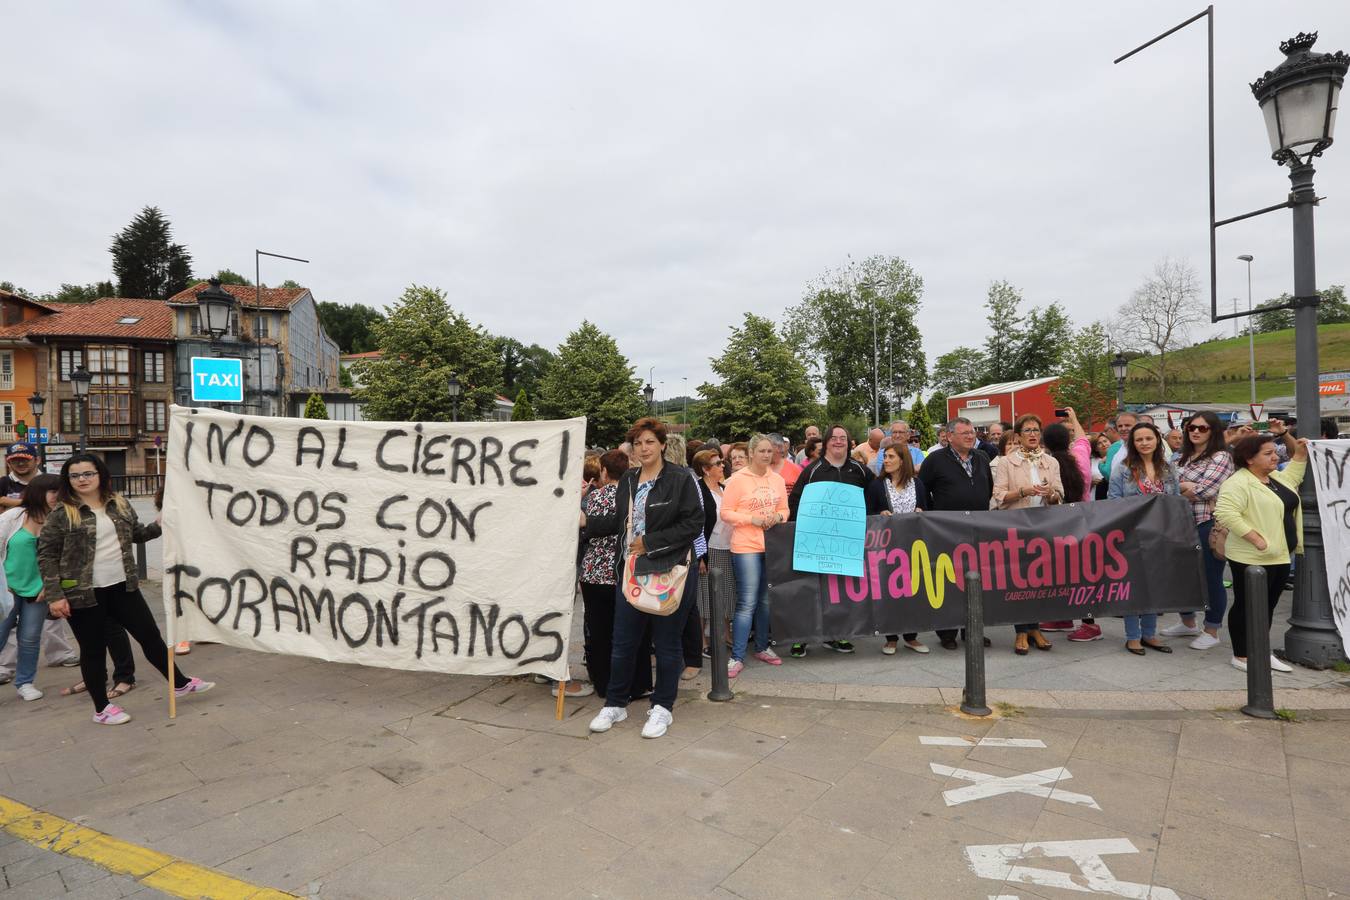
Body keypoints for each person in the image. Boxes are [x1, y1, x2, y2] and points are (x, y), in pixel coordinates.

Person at [37, 453, 214, 725]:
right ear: (68, 480)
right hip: (84, 593)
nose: (82, 479)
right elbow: (46, 555)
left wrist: (159, 523)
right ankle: (101, 708)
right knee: (93, 650)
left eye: (88, 473)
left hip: (123, 586)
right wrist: (55, 595)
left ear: (100, 475)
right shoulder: (63, 513)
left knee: (151, 636)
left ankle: (180, 683)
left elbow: (137, 535)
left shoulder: (119, 504)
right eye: (75, 475)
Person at [588, 419, 703, 739]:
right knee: (623, 643)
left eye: (650, 442)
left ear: (663, 444)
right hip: (631, 571)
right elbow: (618, 521)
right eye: (638, 443)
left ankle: (662, 707)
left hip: (667, 570)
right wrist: (585, 519)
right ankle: (615, 703)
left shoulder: (680, 478)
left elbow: (694, 523)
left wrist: (651, 543)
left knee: (666, 644)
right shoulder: (628, 478)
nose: (644, 448)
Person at [1215, 434, 1307, 674]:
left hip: (1281, 555)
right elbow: (1225, 513)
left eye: (1275, 452)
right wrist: (1255, 538)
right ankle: (1242, 655)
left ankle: (1261, 650)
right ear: (1249, 459)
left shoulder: (1274, 477)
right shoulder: (1238, 482)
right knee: (1247, 605)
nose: (1275, 456)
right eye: (1268, 453)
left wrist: (1299, 455)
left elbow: (1292, 478)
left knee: (1267, 606)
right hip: (1251, 557)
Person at [786, 424, 875, 657]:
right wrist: (797, 531)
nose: (838, 441)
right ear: (825, 442)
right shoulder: (812, 470)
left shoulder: (860, 470)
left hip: (845, 544)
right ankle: (801, 637)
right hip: (813, 543)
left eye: (843, 438)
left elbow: (875, 496)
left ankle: (836, 636)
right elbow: (795, 501)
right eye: (834, 438)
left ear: (849, 442)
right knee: (809, 591)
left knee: (840, 592)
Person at [1160, 412, 1235, 649]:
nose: (1195, 432)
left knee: (1211, 577)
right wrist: (1185, 487)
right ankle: (1188, 621)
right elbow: (1165, 487)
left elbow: (1206, 490)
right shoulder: (1179, 456)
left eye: (1202, 428)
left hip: (1206, 523)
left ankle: (1212, 629)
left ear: (1213, 431)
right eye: (1192, 427)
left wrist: (1180, 487)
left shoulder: (1221, 456)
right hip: (1179, 523)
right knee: (1180, 576)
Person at [918, 418, 993, 651]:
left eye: (972, 433)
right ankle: (947, 631)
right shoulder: (935, 460)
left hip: (977, 528)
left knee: (975, 581)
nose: (971, 437)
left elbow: (988, 488)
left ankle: (972, 630)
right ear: (949, 436)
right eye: (964, 433)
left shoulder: (981, 458)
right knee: (950, 581)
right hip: (947, 531)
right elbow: (922, 490)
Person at [992, 414, 1063, 655]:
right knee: (1020, 581)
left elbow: (1059, 496)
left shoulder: (1051, 462)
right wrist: (1024, 491)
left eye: (1036, 430)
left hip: (1043, 528)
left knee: (1040, 580)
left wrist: (1050, 493)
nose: (1033, 434)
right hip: (1017, 527)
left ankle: (1035, 628)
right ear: (1019, 436)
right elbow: (999, 496)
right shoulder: (1006, 462)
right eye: (1027, 430)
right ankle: (1021, 630)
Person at [1107, 423, 1179, 657]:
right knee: (1134, 586)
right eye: (1139, 439)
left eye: (1149, 438)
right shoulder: (1123, 469)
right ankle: (1132, 636)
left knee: (1155, 585)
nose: (1144, 443)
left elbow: (1175, 501)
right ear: (1133, 443)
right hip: (1132, 534)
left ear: (1158, 440)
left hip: (1161, 534)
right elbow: (1113, 502)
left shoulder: (1168, 469)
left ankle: (1149, 632)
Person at [720, 435, 789, 677]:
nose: (766, 455)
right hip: (745, 546)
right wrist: (753, 519)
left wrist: (777, 517)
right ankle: (737, 656)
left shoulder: (777, 480)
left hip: (771, 545)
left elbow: (784, 509)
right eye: (761, 451)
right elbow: (726, 512)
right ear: (751, 453)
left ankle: (762, 646)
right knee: (747, 602)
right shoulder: (737, 480)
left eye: (770, 451)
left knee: (765, 600)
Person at [1038, 409, 1102, 642]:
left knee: (1064, 573)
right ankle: (1070, 618)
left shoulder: (1047, 463)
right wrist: (1073, 417)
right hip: (1082, 521)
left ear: (1045, 442)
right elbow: (1084, 439)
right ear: (1069, 440)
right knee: (1078, 573)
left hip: (1056, 524)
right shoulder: (1080, 455)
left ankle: (1089, 624)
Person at [0, 474, 62, 701]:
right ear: (38, 492)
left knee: (30, 637)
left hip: (38, 591)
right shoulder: (14, 516)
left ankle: (25, 682)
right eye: (52, 491)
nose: (57, 497)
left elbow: (64, 558)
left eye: (60, 492)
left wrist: (50, 586)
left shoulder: (60, 520)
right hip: (6, 589)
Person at [865, 444, 930, 655]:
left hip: (913, 546)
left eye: (891, 456)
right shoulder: (876, 485)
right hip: (887, 548)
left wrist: (922, 511)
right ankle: (891, 637)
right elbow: (867, 513)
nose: (886, 460)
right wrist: (879, 513)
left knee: (913, 592)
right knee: (890, 592)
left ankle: (911, 637)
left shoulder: (918, 484)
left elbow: (928, 509)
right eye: (885, 457)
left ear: (903, 460)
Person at [577, 450, 630, 699]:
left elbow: (581, 525)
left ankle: (602, 682)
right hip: (622, 571)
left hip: (594, 573)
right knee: (622, 630)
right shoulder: (631, 496)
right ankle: (625, 681)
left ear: (605, 472)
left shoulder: (595, 498)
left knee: (598, 630)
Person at [693, 448, 735, 658]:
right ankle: (701, 641)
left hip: (727, 547)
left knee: (726, 593)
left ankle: (726, 634)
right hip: (708, 549)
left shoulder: (724, 488)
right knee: (704, 596)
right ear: (705, 469)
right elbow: (696, 525)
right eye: (717, 463)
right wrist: (700, 556)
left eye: (721, 462)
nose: (722, 466)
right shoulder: (698, 491)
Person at [1090, 432, 1111, 501]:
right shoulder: (1091, 462)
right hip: (1095, 497)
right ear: (1095, 448)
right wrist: (1091, 483)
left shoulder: (1117, 457)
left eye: (1105, 441)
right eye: (1099, 443)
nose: (1104, 444)